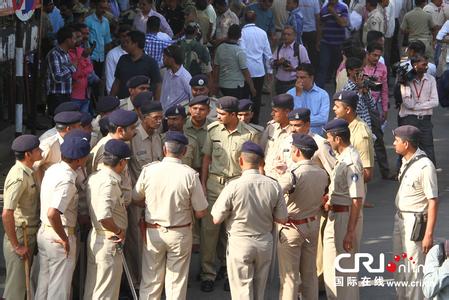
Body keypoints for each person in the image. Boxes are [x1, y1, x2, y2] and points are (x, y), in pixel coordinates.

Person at [133, 131, 208, 300]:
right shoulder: (189, 174)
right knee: (176, 282)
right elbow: (201, 211)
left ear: (164, 149)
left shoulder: (149, 170)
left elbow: (136, 198)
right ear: (184, 151)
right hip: (179, 232)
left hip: (152, 231)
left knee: (151, 280)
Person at [211, 141, 288, 300]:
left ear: (240, 161)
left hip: (240, 242)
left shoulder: (233, 186)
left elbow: (216, 219)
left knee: (241, 291)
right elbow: (282, 218)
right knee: (259, 290)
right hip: (264, 242)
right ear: (262, 162)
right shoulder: (274, 186)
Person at [200, 97, 259, 292]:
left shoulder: (250, 134)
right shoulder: (213, 130)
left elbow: (255, 164)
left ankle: (228, 271)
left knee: (233, 232)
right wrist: (202, 185)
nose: (217, 117)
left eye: (222, 114)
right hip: (214, 186)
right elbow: (207, 159)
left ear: (234, 115)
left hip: (237, 186)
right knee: (209, 231)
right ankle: (207, 273)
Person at [35, 133, 91, 299]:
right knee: (59, 290)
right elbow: (53, 213)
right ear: (79, 160)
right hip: (59, 235)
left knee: (44, 286)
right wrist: (65, 239)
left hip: (44, 233)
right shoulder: (67, 180)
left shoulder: (53, 169)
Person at [275, 133, 328, 300]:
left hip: (292, 226)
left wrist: (280, 174)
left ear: (297, 151)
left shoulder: (294, 174)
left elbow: (275, 194)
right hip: (312, 224)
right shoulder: (321, 173)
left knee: (289, 277)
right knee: (310, 274)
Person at [392, 125, 438, 300]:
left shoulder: (425, 166)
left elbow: (433, 201)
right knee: (399, 268)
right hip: (400, 219)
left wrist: (428, 235)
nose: (394, 144)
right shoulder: (405, 161)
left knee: (414, 270)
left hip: (415, 222)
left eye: (396, 141)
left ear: (406, 143)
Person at [322, 119, 365, 300]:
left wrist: (350, 231)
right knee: (331, 268)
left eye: (329, 137)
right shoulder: (341, 157)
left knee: (345, 270)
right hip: (334, 214)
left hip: (346, 216)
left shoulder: (351, 161)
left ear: (338, 139)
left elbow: (356, 199)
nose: (328, 141)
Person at [83, 139, 131, 299]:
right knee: (106, 292)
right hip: (109, 239)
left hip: (98, 236)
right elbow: (104, 216)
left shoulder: (95, 176)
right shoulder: (108, 183)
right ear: (122, 162)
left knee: (94, 287)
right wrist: (118, 231)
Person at [2, 135, 42, 300]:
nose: (41, 151)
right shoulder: (18, 176)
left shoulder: (29, 171)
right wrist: (16, 245)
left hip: (28, 234)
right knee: (16, 290)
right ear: (28, 154)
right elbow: (7, 213)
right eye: (37, 150)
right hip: (20, 235)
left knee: (24, 289)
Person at [398, 55, 439, 167]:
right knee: (408, 148)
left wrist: (416, 106)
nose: (426, 67)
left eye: (426, 64)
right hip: (409, 119)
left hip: (425, 120)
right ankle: (405, 171)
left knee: (428, 147)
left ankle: (430, 171)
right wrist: (424, 105)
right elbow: (408, 103)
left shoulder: (431, 79)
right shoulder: (406, 80)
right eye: (424, 64)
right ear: (415, 66)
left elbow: (435, 102)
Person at [240, 10, 273, 124]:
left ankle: (244, 121)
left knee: (244, 97)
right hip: (259, 71)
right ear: (255, 19)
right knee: (257, 97)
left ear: (244, 19)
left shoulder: (242, 33)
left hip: (245, 71)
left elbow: (242, 51)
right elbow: (268, 54)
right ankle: (255, 121)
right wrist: (269, 70)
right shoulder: (262, 33)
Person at [110, 30, 162, 101]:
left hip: (143, 104)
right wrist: (111, 100)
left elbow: (158, 85)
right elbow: (117, 82)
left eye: (128, 42)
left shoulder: (151, 62)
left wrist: (156, 106)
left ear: (135, 44)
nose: (124, 44)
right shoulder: (123, 59)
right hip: (124, 103)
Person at [35, 111, 83, 184]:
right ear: (68, 129)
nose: (81, 129)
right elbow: (34, 167)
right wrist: (40, 189)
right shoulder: (48, 144)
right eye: (79, 126)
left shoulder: (75, 140)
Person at [213, 24, 256, 100]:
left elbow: (216, 67)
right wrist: (252, 87)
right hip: (236, 87)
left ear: (228, 34)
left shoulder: (220, 48)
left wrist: (215, 84)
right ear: (239, 36)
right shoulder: (239, 51)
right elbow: (245, 71)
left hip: (222, 86)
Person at [287, 63, 330, 134]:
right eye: (297, 77)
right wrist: (298, 95)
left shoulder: (323, 94)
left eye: (302, 77)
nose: (299, 80)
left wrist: (301, 122)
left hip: (316, 136)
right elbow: (291, 117)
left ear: (311, 77)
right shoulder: (290, 93)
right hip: (296, 135)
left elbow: (323, 119)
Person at [315, 0, 348, 88]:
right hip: (326, 43)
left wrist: (333, 12)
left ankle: (339, 91)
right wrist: (318, 41)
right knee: (322, 66)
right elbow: (320, 25)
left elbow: (343, 23)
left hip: (339, 43)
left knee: (339, 68)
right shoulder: (323, 10)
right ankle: (319, 92)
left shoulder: (343, 8)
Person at [46, 26, 77, 116]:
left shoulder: (65, 54)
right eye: (74, 38)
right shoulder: (54, 54)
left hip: (65, 95)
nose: (75, 41)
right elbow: (57, 77)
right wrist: (73, 68)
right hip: (57, 96)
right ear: (68, 40)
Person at [261, 94, 294, 178]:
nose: (272, 113)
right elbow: (261, 151)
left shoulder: (295, 132)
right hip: (265, 175)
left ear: (287, 112)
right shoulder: (271, 127)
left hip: (283, 179)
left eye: (275, 111)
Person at [274, 26, 311, 94]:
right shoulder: (279, 47)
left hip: (293, 83)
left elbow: (307, 66)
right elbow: (271, 63)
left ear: (294, 36)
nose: (286, 36)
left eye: (288, 34)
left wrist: (293, 69)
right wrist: (279, 62)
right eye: (284, 34)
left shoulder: (300, 48)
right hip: (279, 83)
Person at [164, 104, 201, 169]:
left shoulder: (192, 141)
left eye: (175, 119)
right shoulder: (160, 139)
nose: (172, 122)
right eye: (169, 119)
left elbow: (196, 167)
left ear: (184, 120)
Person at [85, 0, 112, 83]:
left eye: (105, 8)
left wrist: (107, 56)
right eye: (101, 8)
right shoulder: (88, 20)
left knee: (100, 80)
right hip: (91, 56)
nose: (103, 10)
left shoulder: (106, 21)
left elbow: (107, 40)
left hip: (102, 57)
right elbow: (85, 39)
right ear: (96, 7)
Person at [69, 24, 94, 113]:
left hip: (85, 94)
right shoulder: (69, 53)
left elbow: (90, 68)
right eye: (78, 36)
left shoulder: (81, 50)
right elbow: (75, 74)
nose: (82, 38)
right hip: (75, 95)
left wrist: (83, 70)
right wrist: (82, 58)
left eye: (87, 34)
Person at [160, 44, 192, 110]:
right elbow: (163, 94)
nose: (163, 59)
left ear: (171, 59)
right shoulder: (167, 73)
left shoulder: (185, 76)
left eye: (164, 57)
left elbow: (192, 96)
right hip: (165, 112)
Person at [105, 24, 130, 94]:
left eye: (128, 36)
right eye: (123, 36)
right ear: (119, 37)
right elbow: (110, 78)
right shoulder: (112, 54)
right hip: (119, 96)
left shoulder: (138, 52)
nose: (126, 39)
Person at [298, 0, 320, 67]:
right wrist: (318, 38)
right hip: (312, 31)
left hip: (301, 31)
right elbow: (318, 18)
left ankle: (302, 70)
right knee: (312, 54)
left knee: (300, 53)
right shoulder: (315, 1)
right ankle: (311, 72)